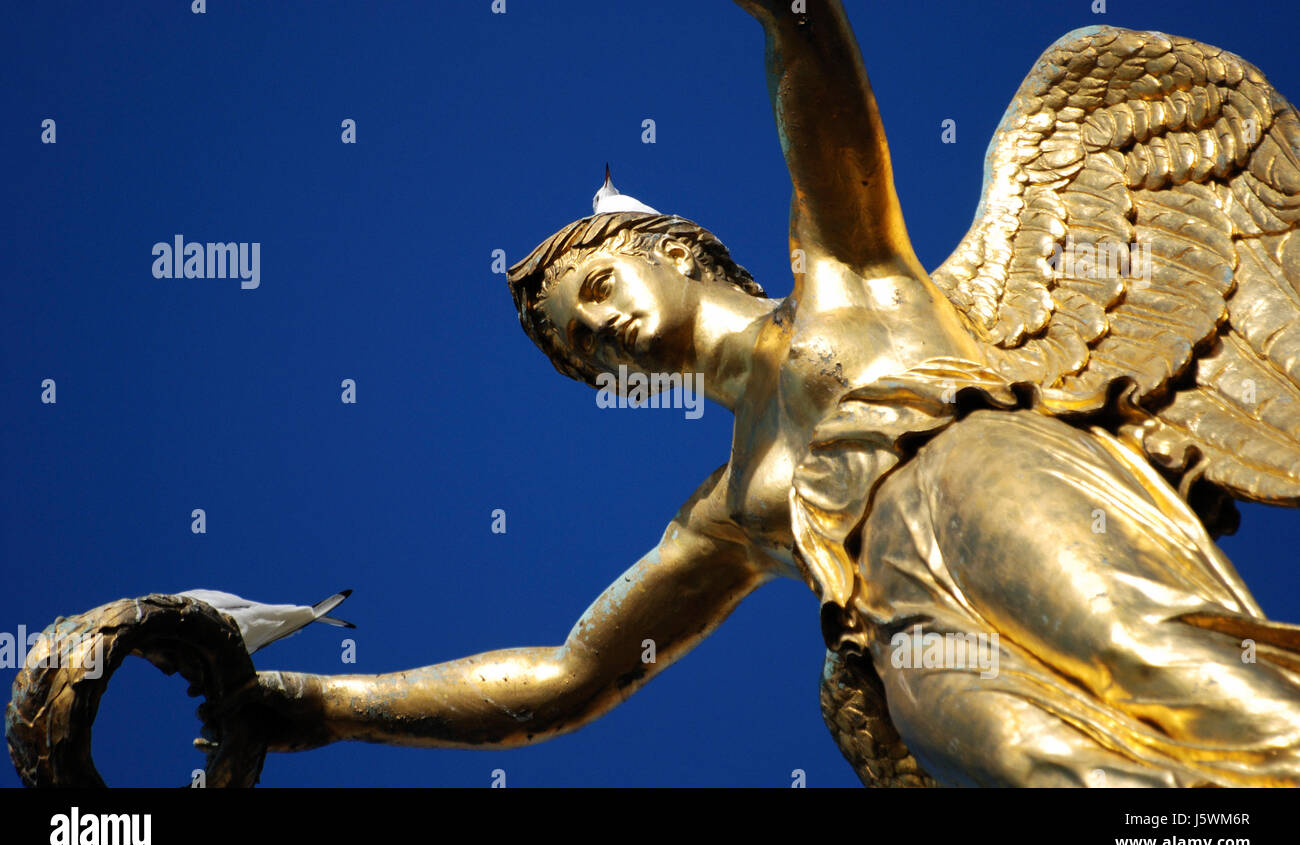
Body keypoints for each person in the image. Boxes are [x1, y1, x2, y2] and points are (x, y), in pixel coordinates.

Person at [220, 3, 1300, 786]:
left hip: (991, 474)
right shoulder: (727, 514)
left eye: (597, 287)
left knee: (1159, 662)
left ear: (682, 250)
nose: (598, 329)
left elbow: (810, 46)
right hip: (902, 629)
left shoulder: (851, 275)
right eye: (578, 347)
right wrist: (317, 706)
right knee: (1050, 771)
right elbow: (565, 674)